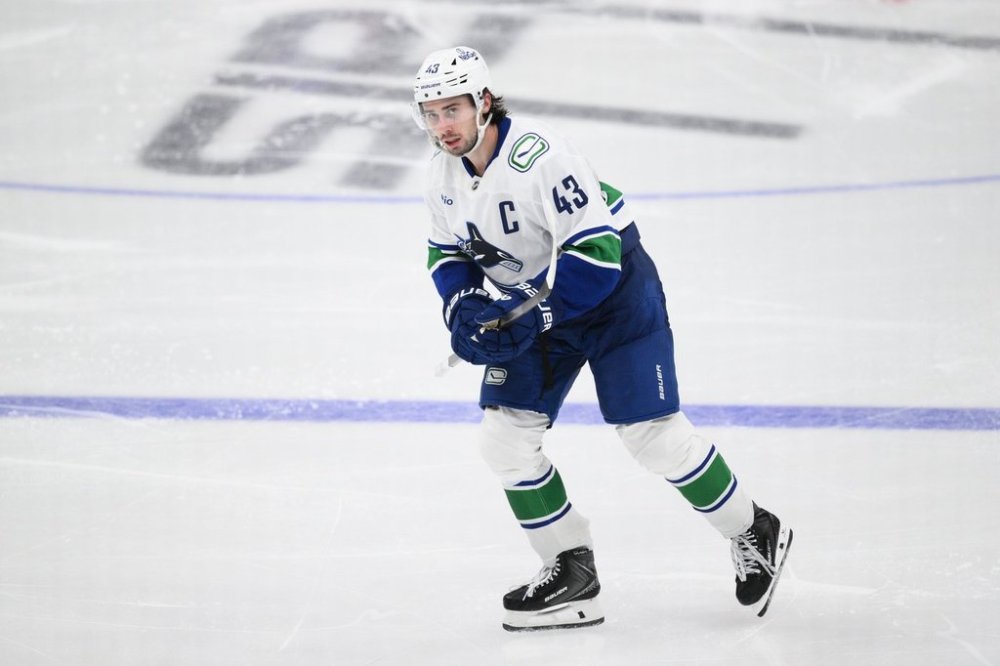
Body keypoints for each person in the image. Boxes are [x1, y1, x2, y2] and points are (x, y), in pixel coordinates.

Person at [411, 46, 793, 632]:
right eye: (431, 114)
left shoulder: (544, 157)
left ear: (484, 103)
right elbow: (447, 251)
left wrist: (527, 316)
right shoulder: (442, 174)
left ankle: (753, 528)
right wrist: (462, 304)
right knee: (504, 441)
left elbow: (597, 256)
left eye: (453, 110)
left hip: (614, 298)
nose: (443, 127)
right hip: (533, 305)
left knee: (655, 438)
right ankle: (571, 569)